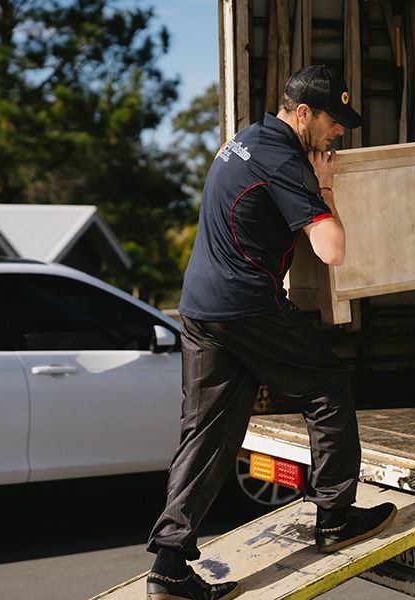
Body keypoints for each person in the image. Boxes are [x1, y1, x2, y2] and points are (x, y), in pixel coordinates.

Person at [144, 65, 397, 600]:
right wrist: (324, 188)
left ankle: (168, 565)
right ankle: (334, 518)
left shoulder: (246, 139)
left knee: (207, 431)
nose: (339, 133)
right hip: (244, 303)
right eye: (333, 121)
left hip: (200, 306)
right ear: (302, 113)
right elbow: (332, 250)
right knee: (327, 387)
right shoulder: (284, 156)